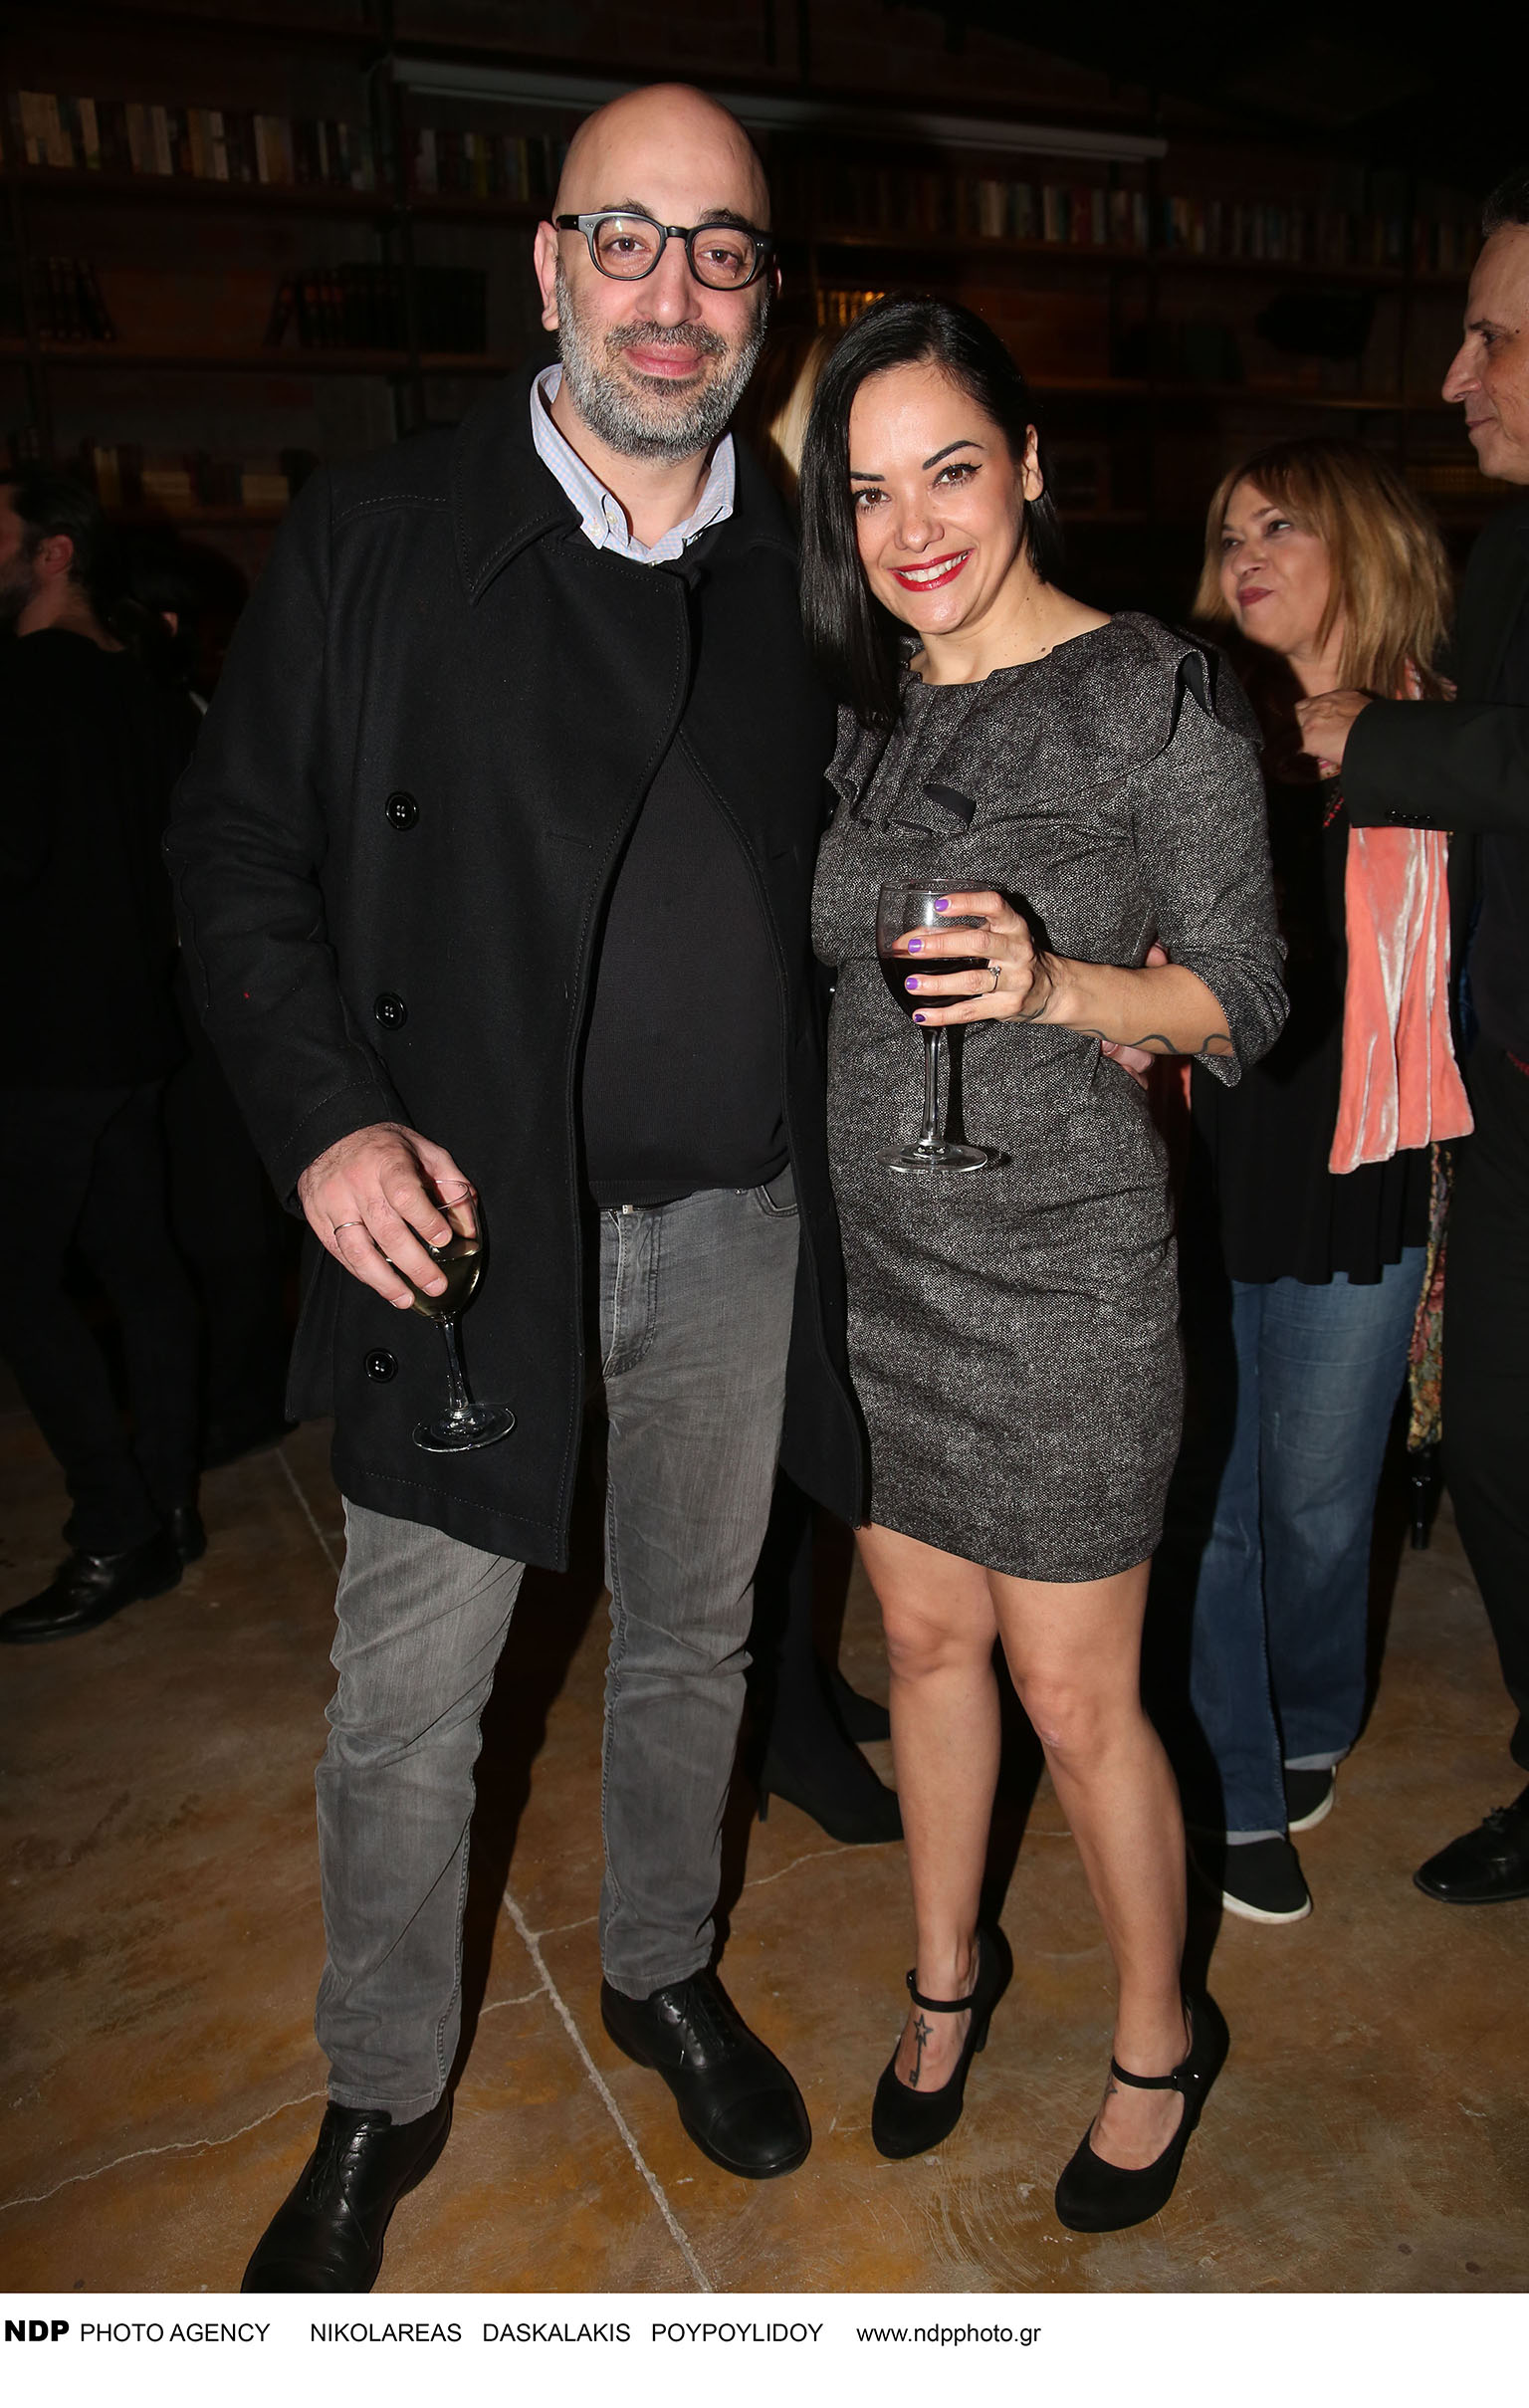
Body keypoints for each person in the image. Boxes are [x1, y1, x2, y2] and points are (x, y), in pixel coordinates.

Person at [167, 84, 863, 2294]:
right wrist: (324, 1119)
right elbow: (233, 852)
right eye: (626, 239)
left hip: (739, 1217)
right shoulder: (381, 531)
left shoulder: (811, 560)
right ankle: (381, 2085)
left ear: (766, 297)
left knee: (697, 1636)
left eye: (722, 249)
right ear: (548, 265)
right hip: (468, 1230)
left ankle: (662, 1966)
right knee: (408, 1697)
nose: (674, 292)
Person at [799, 297, 1285, 2232]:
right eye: (867, 492)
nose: (911, 526)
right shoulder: (854, 710)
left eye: (950, 471)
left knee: (1081, 1703)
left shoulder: (1154, 692)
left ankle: (1160, 2033)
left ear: (1028, 466)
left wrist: (1064, 982)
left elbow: (1243, 997)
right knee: (921, 1646)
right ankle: (946, 1978)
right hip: (881, 1271)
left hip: (1069, 1283)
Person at [1170, 439, 1469, 1924]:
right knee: (1217, 1502)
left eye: (1280, 524)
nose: (1245, 553)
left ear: (1366, 542)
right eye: (1230, 531)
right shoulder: (1190, 722)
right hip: (1208, 1157)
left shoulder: (1450, 735)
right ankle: (1230, 1780)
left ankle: (1310, 1709)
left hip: (1372, 1163)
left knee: (1322, 1506)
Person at [1295, 167, 1529, 1907]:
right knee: (1503, 1456)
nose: (1456, 376)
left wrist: (1379, 739)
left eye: (1493, 339)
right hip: (1514, 1093)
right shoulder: (1510, 548)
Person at [0, 470, 204, 1645]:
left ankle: (116, 1525)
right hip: (132, 1026)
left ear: (55, 552)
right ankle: (166, 1507)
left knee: (18, 1283)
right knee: (142, 1267)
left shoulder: (22, 687)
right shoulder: (148, 694)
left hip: (42, 1040)